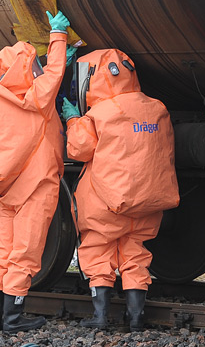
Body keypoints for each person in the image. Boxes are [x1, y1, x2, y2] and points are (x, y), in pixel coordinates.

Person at [0, 10, 70, 333]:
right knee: (25, 252)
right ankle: (13, 318)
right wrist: (58, 37)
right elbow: (54, 74)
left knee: (1, 251)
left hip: (4, 189)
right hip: (35, 186)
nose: (37, 68)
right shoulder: (36, 100)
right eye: (32, 64)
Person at [61, 49, 179, 331]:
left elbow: (78, 150)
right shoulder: (158, 108)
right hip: (149, 202)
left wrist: (73, 120)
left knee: (98, 253)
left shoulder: (99, 114)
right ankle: (136, 317)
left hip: (107, 202)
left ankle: (101, 317)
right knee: (135, 254)